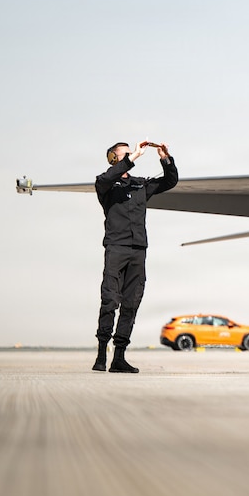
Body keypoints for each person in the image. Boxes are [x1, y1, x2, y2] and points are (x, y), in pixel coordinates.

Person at [92, 140, 178, 373]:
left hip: (138, 250)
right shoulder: (105, 184)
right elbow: (108, 178)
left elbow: (170, 181)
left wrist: (165, 158)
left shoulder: (140, 185)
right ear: (114, 158)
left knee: (131, 303)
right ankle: (101, 355)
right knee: (110, 300)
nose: (132, 155)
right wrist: (133, 158)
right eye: (126, 154)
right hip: (116, 247)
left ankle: (119, 357)